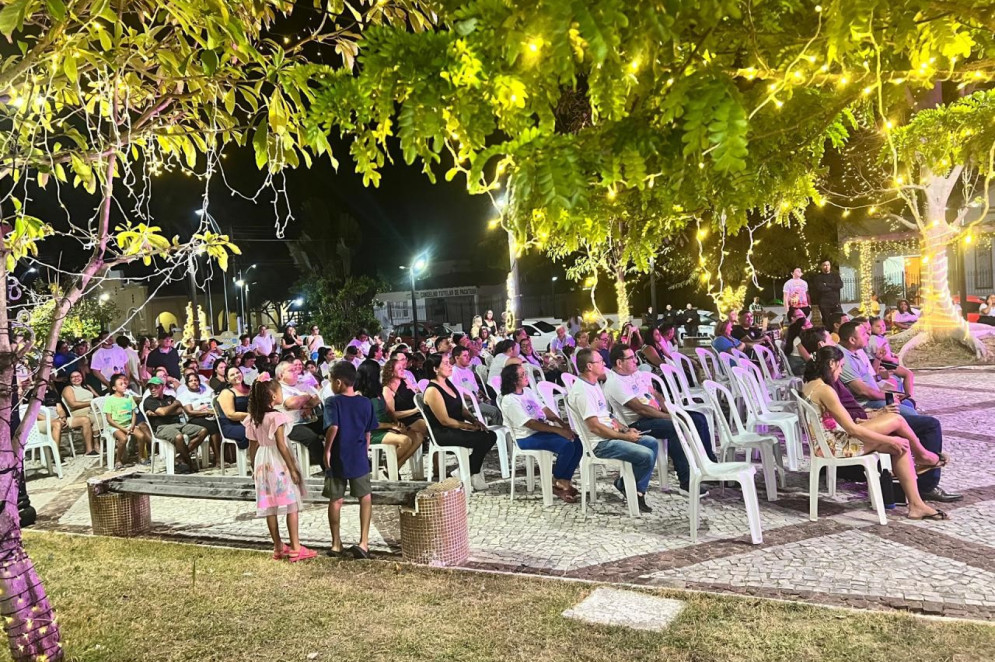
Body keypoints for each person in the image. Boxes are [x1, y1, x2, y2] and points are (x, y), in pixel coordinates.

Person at [800, 327, 960, 504]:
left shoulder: (812, 384)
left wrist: (871, 417)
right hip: (836, 444)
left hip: (834, 437)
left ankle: (916, 502)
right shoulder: (825, 389)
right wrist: (887, 439)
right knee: (901, 433)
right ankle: (922, 470)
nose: (840, 371)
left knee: (900, 434)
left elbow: (839, 418)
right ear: (831, 363)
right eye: (841, 367)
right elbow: (851, 428)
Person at [602, 344, 713, 496]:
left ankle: (708, 465)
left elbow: (656, 395)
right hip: (638, 423)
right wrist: (673, 418)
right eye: (631, 358)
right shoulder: (615, 383)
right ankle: (686, 481)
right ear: (619, 363)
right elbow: (641, 409)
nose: (636, 360)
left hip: (655, 414)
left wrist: (672, 412)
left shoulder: (635, 374)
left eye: (634, 356)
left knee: (699, 418)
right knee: (675, 426)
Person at [566, 348, 657, 513]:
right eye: (600, 361)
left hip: (609, 435)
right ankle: (631, 490)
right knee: (646, 455)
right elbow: (594, 426)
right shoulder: (582, 391)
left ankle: (635, 490)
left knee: (651, 443)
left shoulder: (593, 384)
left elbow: (606, 415)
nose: (604, 364)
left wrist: (625, 429)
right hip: (599, 443)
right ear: (589, 366)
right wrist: (625, 438)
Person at [244, 378, 315, 562]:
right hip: (277, 461)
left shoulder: (253, 418)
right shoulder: (277, 417)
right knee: (291, 502)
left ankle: (277, 546)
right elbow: (282, 446)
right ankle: (296, 547)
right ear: (274, 396)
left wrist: (254, 468)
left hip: (262, 461)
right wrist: (292, 468)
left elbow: (252, 446)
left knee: (270, 505)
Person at [499, 363, 581, 503]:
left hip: (541, 431)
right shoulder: (509, 400)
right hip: (526, 437)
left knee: (577, 442)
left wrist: (563, 425)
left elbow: (545, 410)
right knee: (566, 446)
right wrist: (558, 430)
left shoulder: (528, 392)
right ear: (513, 380)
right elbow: (531, 423)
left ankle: (562, 481)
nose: (527, 377)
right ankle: (557, 480)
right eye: (523, 375)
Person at [322, 361, 378, 559]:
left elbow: (333, 427)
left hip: (339, 455)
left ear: (338, 382)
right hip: (359, 454)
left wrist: (326, 450)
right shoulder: (366, 402)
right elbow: (368, 433)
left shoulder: (333, 402)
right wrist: (364, 450)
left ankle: (336, 543)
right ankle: (364, 542)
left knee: (336, 499)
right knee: (365, 497)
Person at [422, 355, 498, 491]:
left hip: (456, 426)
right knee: (483, 438)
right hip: (443, 432)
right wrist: (469, 427)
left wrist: (474, 421)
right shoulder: (432, 390)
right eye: (445, 364)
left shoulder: (448, 383)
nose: (450, 365)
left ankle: (469, 471)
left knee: (490, 435)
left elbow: (462, 409)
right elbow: (445, 420)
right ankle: (467, 472)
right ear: (435, 369)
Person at [356, 360, 422, 469]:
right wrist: (392, 426)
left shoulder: (378, 391)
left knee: (418, 437)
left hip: (386, 426)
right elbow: (368, 423)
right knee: (405, 441)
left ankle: (396, 466)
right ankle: (390, 466)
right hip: (372, 432)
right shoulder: (360, 395)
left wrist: (397, 423)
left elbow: (389, 411)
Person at [143, 377, 207, 474]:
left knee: (203, 431)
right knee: (178, 437)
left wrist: (161, 412)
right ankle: (189, 462)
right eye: (151, 388)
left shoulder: (169, 398)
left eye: (156, 387)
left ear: (162, 387)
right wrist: (173, 406)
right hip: (161, 427)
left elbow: (180, 410)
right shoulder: (149, 401)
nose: (153, 390)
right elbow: (164, 411)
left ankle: (181, 457)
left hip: (178, 424)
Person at [274, 360, 325, 469]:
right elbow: (291, 403)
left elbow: (316, 399)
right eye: (291, 370)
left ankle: (342, 460)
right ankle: (327, 467)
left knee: (332, 427)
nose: (296, 372)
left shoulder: (299, 385)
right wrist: (306, 397)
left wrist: (305, 404)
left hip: (308, 420)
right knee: (312, 438)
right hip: (290, 424)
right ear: (281, 375)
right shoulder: (278, 388)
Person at [103, 373, 152, 469]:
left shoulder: (129, 398)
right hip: (116, 426)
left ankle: (141, 457)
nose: (124, 385)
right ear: (114, 388)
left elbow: (134, 413)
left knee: (141, 436)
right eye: (120, 384)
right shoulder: (110, 400)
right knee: (123, 439)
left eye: (124, 383)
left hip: (128, 424)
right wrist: (123, 429)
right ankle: (118, 460)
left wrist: (132, 425)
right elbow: (109, 419)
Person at [451, 346, 501, 424]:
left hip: (478, 400)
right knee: (495, 411)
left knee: (500, 405)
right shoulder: (454, 372)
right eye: (465, 356)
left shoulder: (469, 371)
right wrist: (472, 398)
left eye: (468, 355)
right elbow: (455, 393)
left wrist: (486, 398)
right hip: (468, 404)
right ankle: (493, 434)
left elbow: (476, 389)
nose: (468, 358)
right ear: (457, 358)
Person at [867, 317, 915, 398]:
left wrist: (892, 354)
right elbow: (882, 355)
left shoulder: (881, 337)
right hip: (881, 363)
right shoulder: (873, 339)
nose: (881, 328)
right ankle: (909, 396)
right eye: (878, 326)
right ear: (870, 327)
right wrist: (893, 359)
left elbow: (886, 351)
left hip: (885, 361)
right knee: (908, 374)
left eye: (883, 325)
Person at [381, 356, 428, 434]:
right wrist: (414, 410)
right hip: (405, 419)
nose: (403, 370)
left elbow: (415, 396)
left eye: (402, 368)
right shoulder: (387, 389)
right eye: (399, 369)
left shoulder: (405, 380)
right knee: (425, 425)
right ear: (391, 372)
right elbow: (392, 415)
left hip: (418, 414)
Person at [59, 369, 98, 455]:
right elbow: (73, 404)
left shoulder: (87, 386)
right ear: (69, 379)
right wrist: (91, 403)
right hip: (78, 412)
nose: (76, 378)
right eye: (73, 377)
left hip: (93, 409)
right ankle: (94, 445)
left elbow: (98, 398)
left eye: (78, 376)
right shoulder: (68, 388)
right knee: (96, 418)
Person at [217, 366, 251, 451]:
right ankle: (253, 459)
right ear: (227, 379)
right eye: (232, 375)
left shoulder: (249, 389)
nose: (236, 375)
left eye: (238, 373)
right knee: (253, 431)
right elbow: (231, 415)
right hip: (231, 424)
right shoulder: (226, 392)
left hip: (248, 421)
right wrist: (252, 416)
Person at [811, 259, 844, 324]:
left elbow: (840, 285)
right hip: (824, 303)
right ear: (821, 266)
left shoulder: (835, 275)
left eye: (828, 265)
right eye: (825, 265)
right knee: (827, 322)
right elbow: (821, 288)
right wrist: (834, 287)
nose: (827, 267)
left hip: (835, 302)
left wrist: (827, 284)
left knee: (839, 319)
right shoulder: (818, 277)